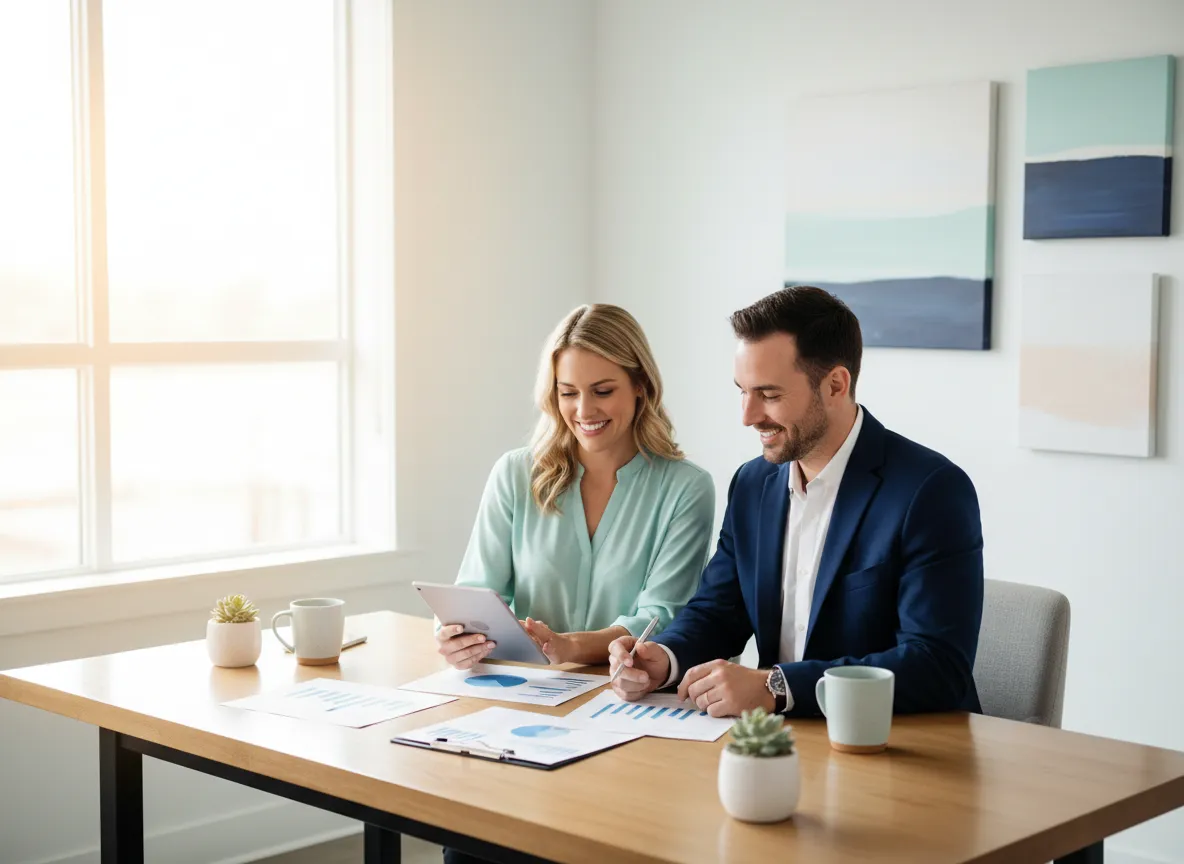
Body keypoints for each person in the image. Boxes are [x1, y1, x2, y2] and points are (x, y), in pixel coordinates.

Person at [609, 285, 984, 719]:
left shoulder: (930, 491)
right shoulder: (753, 484)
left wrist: (776, 686)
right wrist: (665, 657)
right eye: (742, 391)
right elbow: (718, 611)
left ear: (835, 385)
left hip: (897, 746)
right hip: (782, 744)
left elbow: (936, 666)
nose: (747, 416)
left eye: (768, 395)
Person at [435, 303, 716, 670]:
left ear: (640, 386)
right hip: (527, 691)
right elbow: (475, 595)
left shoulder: (686, 488)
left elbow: (659, 619)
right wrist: (456, 636)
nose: (584, 411)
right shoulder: (514, 473)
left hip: (631, 694)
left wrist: (567, 647)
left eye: (602, 391)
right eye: (568, 393)